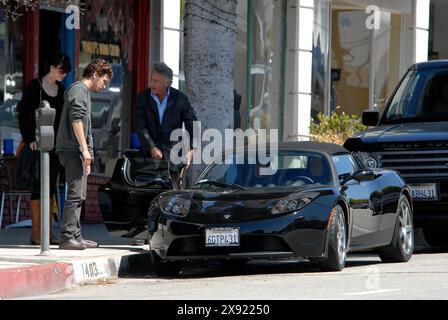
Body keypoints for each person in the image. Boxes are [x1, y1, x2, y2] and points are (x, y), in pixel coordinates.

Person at [55, 59, 113, 250]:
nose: (104, 86)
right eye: (104, 81)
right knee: (74, 193)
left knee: (79, 194)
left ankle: (76, 236)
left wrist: (88, 152)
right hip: (72, 149)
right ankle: (67, 237)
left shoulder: (83, 92)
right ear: (95, 74)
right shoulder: (79, 90)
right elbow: (77, 120)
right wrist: (84, 149)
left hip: (76, 149)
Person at [18, 52, 72, 245]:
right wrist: (29, 138)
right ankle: (37, 234)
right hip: (37, 145)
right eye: (61, 70)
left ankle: (47, 233)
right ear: (51, 67)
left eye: (66, 72)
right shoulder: (35, 87)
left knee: (50, 187)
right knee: (38, 185)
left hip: (55, 146)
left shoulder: (61, 88)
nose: (63, 74)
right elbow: (23, 114)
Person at [135, 62, 197, 190]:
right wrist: (151, 146)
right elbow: (140, 126)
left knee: (173, 194)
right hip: (149, 158)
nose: (152, 84)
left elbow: (193, 124)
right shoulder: (143, 98)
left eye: (156, 81)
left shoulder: (180, 99)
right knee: (149, 193)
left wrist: (192, 149)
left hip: (174, 157)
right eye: (151, 80)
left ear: (167, 83)